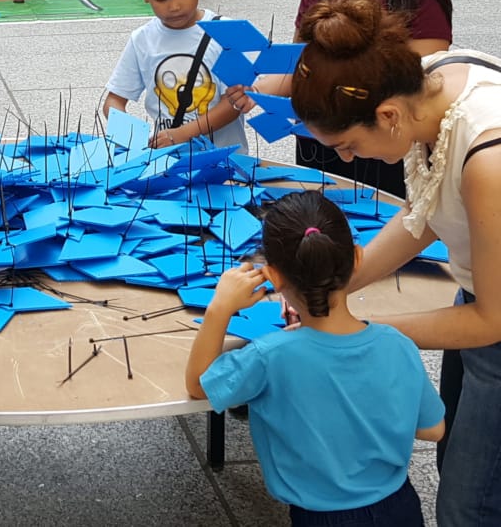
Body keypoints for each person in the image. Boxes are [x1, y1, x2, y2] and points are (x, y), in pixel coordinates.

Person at [288, 0, 501, 525]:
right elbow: (426, 212)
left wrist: (356, 331)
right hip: (481, 295)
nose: (345, 158)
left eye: (349, 146)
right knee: (458, 458)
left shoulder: (488, 158)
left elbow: (490, 320)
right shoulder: (422, 87)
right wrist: (336, 287)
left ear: (386, 116)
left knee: (468, 506)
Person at [186, 190, 445, 526]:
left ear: (274, 277)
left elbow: (198, 385)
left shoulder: (270, 356)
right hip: (401, 508)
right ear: (356, 258)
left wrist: (220, 307)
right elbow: (433, 429)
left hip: (320, 519)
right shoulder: (398, 344)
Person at [226, 0, 452, 199]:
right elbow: (301, 65)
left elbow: (422, 82)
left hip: (383, 147)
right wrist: (256, 89)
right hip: (319, 139)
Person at [102, 0, 247, 152]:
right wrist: (136, 139)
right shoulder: (142, 39)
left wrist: (182, 134)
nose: (174, 6)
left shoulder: (224, 33)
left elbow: (234, 103)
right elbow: (113, 101)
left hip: (223, 162)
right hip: (168, 161)